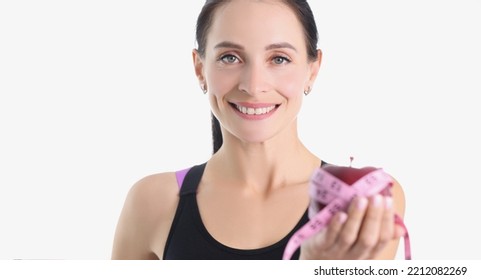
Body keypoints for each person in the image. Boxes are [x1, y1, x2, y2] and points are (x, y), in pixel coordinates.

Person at [111, 0, 406, 260]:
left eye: (279, 59)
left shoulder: (363, 199)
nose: (253, 86)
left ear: (312, 71)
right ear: (200, 69)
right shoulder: (152, 202)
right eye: (230, 57)